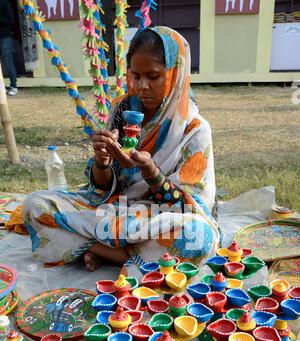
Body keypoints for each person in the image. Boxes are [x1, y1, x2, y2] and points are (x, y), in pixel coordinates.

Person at [23, 26, 219, 277]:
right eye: (135, 75)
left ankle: (105, 251)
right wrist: (102, 162)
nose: (142, 86)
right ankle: (124, 252)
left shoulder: (194, 129)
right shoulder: (121, 110)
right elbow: (103, 189)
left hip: (160, 216)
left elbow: (191, 204)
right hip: (113, 211)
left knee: (198, 238)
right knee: (35, 205)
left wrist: (151, 172)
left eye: (153, 76)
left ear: (175, 73)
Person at [0, 0, 18, 96]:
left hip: (5, 36)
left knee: (8, 62)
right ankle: (1, 88)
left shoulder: (4, 2)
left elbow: (11, 19)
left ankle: (13, 86)